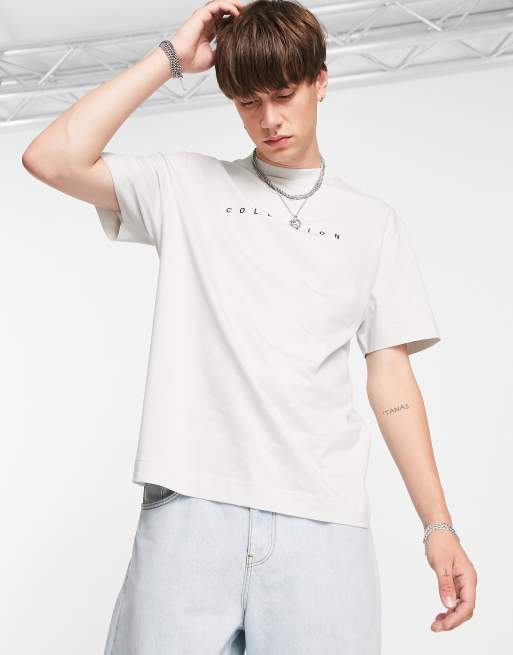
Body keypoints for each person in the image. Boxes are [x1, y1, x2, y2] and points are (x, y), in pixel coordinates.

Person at [21, 1, 477, 653]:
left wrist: (438, 525)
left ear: (320, 81)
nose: (269, 119)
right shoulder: (185, 186)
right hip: (189, 511)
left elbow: (391, 381)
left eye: (284, 95)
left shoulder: (373, 225)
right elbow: (51, 158)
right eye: (247, 102)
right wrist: (171, 58)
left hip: (323, 525)